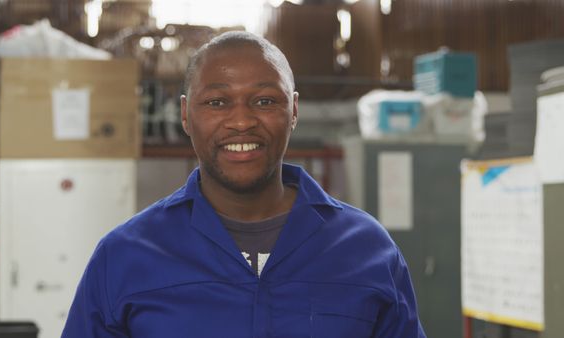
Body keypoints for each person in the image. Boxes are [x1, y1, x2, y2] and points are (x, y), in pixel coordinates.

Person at [62, 31, 426, 338]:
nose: (241, 121)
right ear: (186, 115)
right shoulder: (125, 256)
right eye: (217, 102)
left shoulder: (367, 249)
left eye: (265, 100)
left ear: (294, 111)